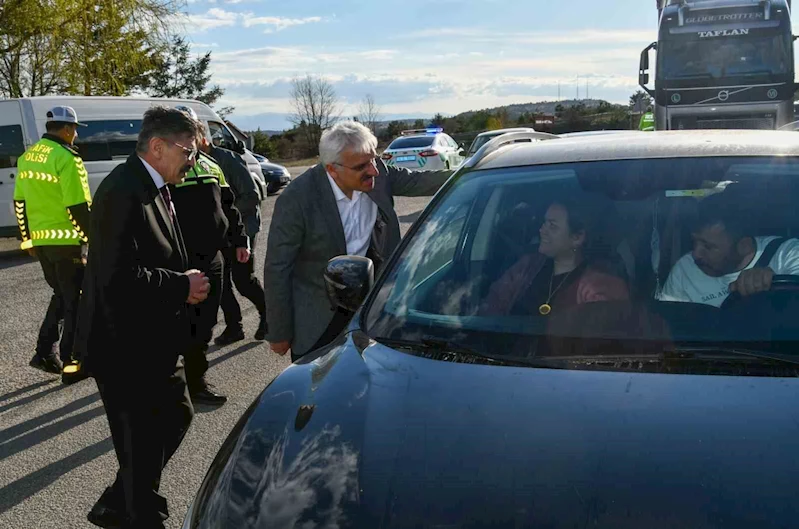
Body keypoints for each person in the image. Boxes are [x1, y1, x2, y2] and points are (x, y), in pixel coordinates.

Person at [77, 106, 210, 529]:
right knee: (140, 443)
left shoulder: (154, 183)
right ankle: (139, 514)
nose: (193, 162)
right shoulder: (122, 190)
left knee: (175, 416)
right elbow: (117, 277)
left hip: (152, 338)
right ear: (157, 146)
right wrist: (180, 285)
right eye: (188, 152)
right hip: (122, 343)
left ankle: (118, 504)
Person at [264, 120, 453, 362]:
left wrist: (474, 170)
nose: (374, 170)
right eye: (363, 166)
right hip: (321, 315)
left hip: (373, 305)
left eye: (374, 159)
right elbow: (278, 268)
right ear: (332, 169)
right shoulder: (298, 199)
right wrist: (279, 331)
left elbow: (422, 181)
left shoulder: (377, 172)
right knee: (317, 385)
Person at [169, 107, 250, 406]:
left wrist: (240, 240)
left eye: (194, 130)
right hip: (180, 259)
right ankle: (173, 381)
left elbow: (229, 208)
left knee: (205, 323)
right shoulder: (168, 168)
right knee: (179, 324)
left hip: (214, 257)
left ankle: (196, 382)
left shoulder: (212, 165)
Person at [14, 105, 92, 377]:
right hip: (68, 242)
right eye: (75, 131)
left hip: (43, 243)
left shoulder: (27, 158)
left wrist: (28, 240)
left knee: (62, 295)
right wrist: (92, 239)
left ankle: (45, 352)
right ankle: (72, 364)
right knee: (74, 301)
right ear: (68, 129)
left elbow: (20, 203)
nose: (76, 137)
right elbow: (77, 206)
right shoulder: (67, 158)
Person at [480, 197, 630, 317]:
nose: (541, 230)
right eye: (544, 223)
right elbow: (492, 305)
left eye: (552, 226)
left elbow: (592, 340)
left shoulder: (600, 286)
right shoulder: (527, 266)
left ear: (577, 238)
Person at [657, 193, 799, 307]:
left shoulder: (787, 254)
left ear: (744, 246)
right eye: (694, 242)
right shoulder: (684, 269)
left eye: (708, 246)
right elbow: (669, 327)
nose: (696, 253)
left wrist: (771, 283)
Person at [207, 140, 268, 346]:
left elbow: (251, 196)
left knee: (243, 281)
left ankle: (269, 317)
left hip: (243, 227)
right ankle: (234, 328)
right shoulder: (193, 163)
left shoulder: (228, 159)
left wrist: (223, 216)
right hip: (218, 234)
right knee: (222, 283)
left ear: (202, 135)